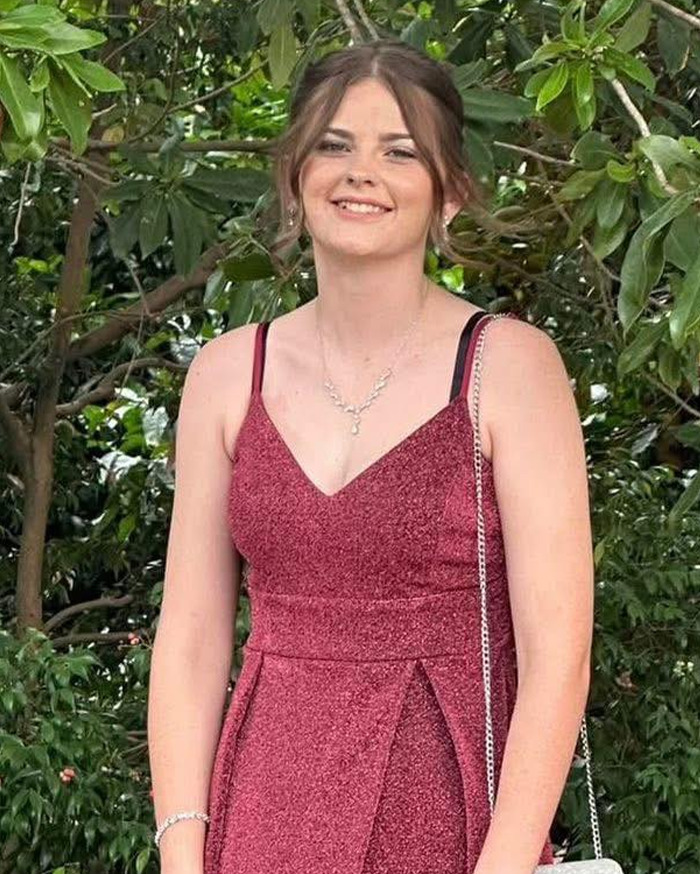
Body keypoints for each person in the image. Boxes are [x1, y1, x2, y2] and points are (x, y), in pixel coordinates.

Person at [148, 38, 595, 874]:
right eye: (334, 145)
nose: (361, 173)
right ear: (293, 174)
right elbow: (192, 636)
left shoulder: (510, 367)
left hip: (457, 822)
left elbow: (559, 654)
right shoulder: (224, 375)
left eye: (399, 152)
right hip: (262, 814)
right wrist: (182, 848)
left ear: (449, 193)